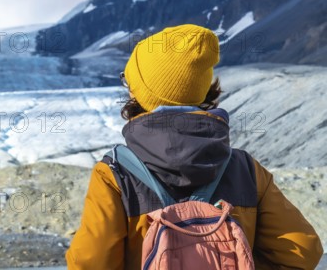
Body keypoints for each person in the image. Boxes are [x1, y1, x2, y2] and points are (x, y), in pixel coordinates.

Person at [65, 24, 323, 269]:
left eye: (130, 81)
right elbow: (303, 251)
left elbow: (90, 264)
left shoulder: (114, 175)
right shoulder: (247, 170)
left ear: (141, 94)